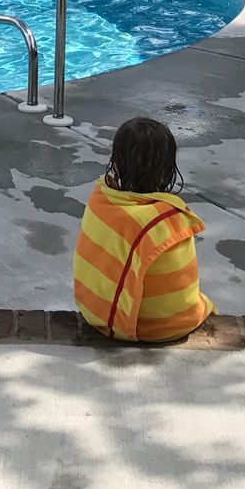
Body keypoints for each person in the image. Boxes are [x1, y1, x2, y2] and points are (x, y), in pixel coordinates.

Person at [72, 116, 214, 343]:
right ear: (167, 169)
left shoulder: (101, 200)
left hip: (95, 314)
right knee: (199, 301)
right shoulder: (169, 219)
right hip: (161, 328)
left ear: (116, 162)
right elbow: (181, 288)